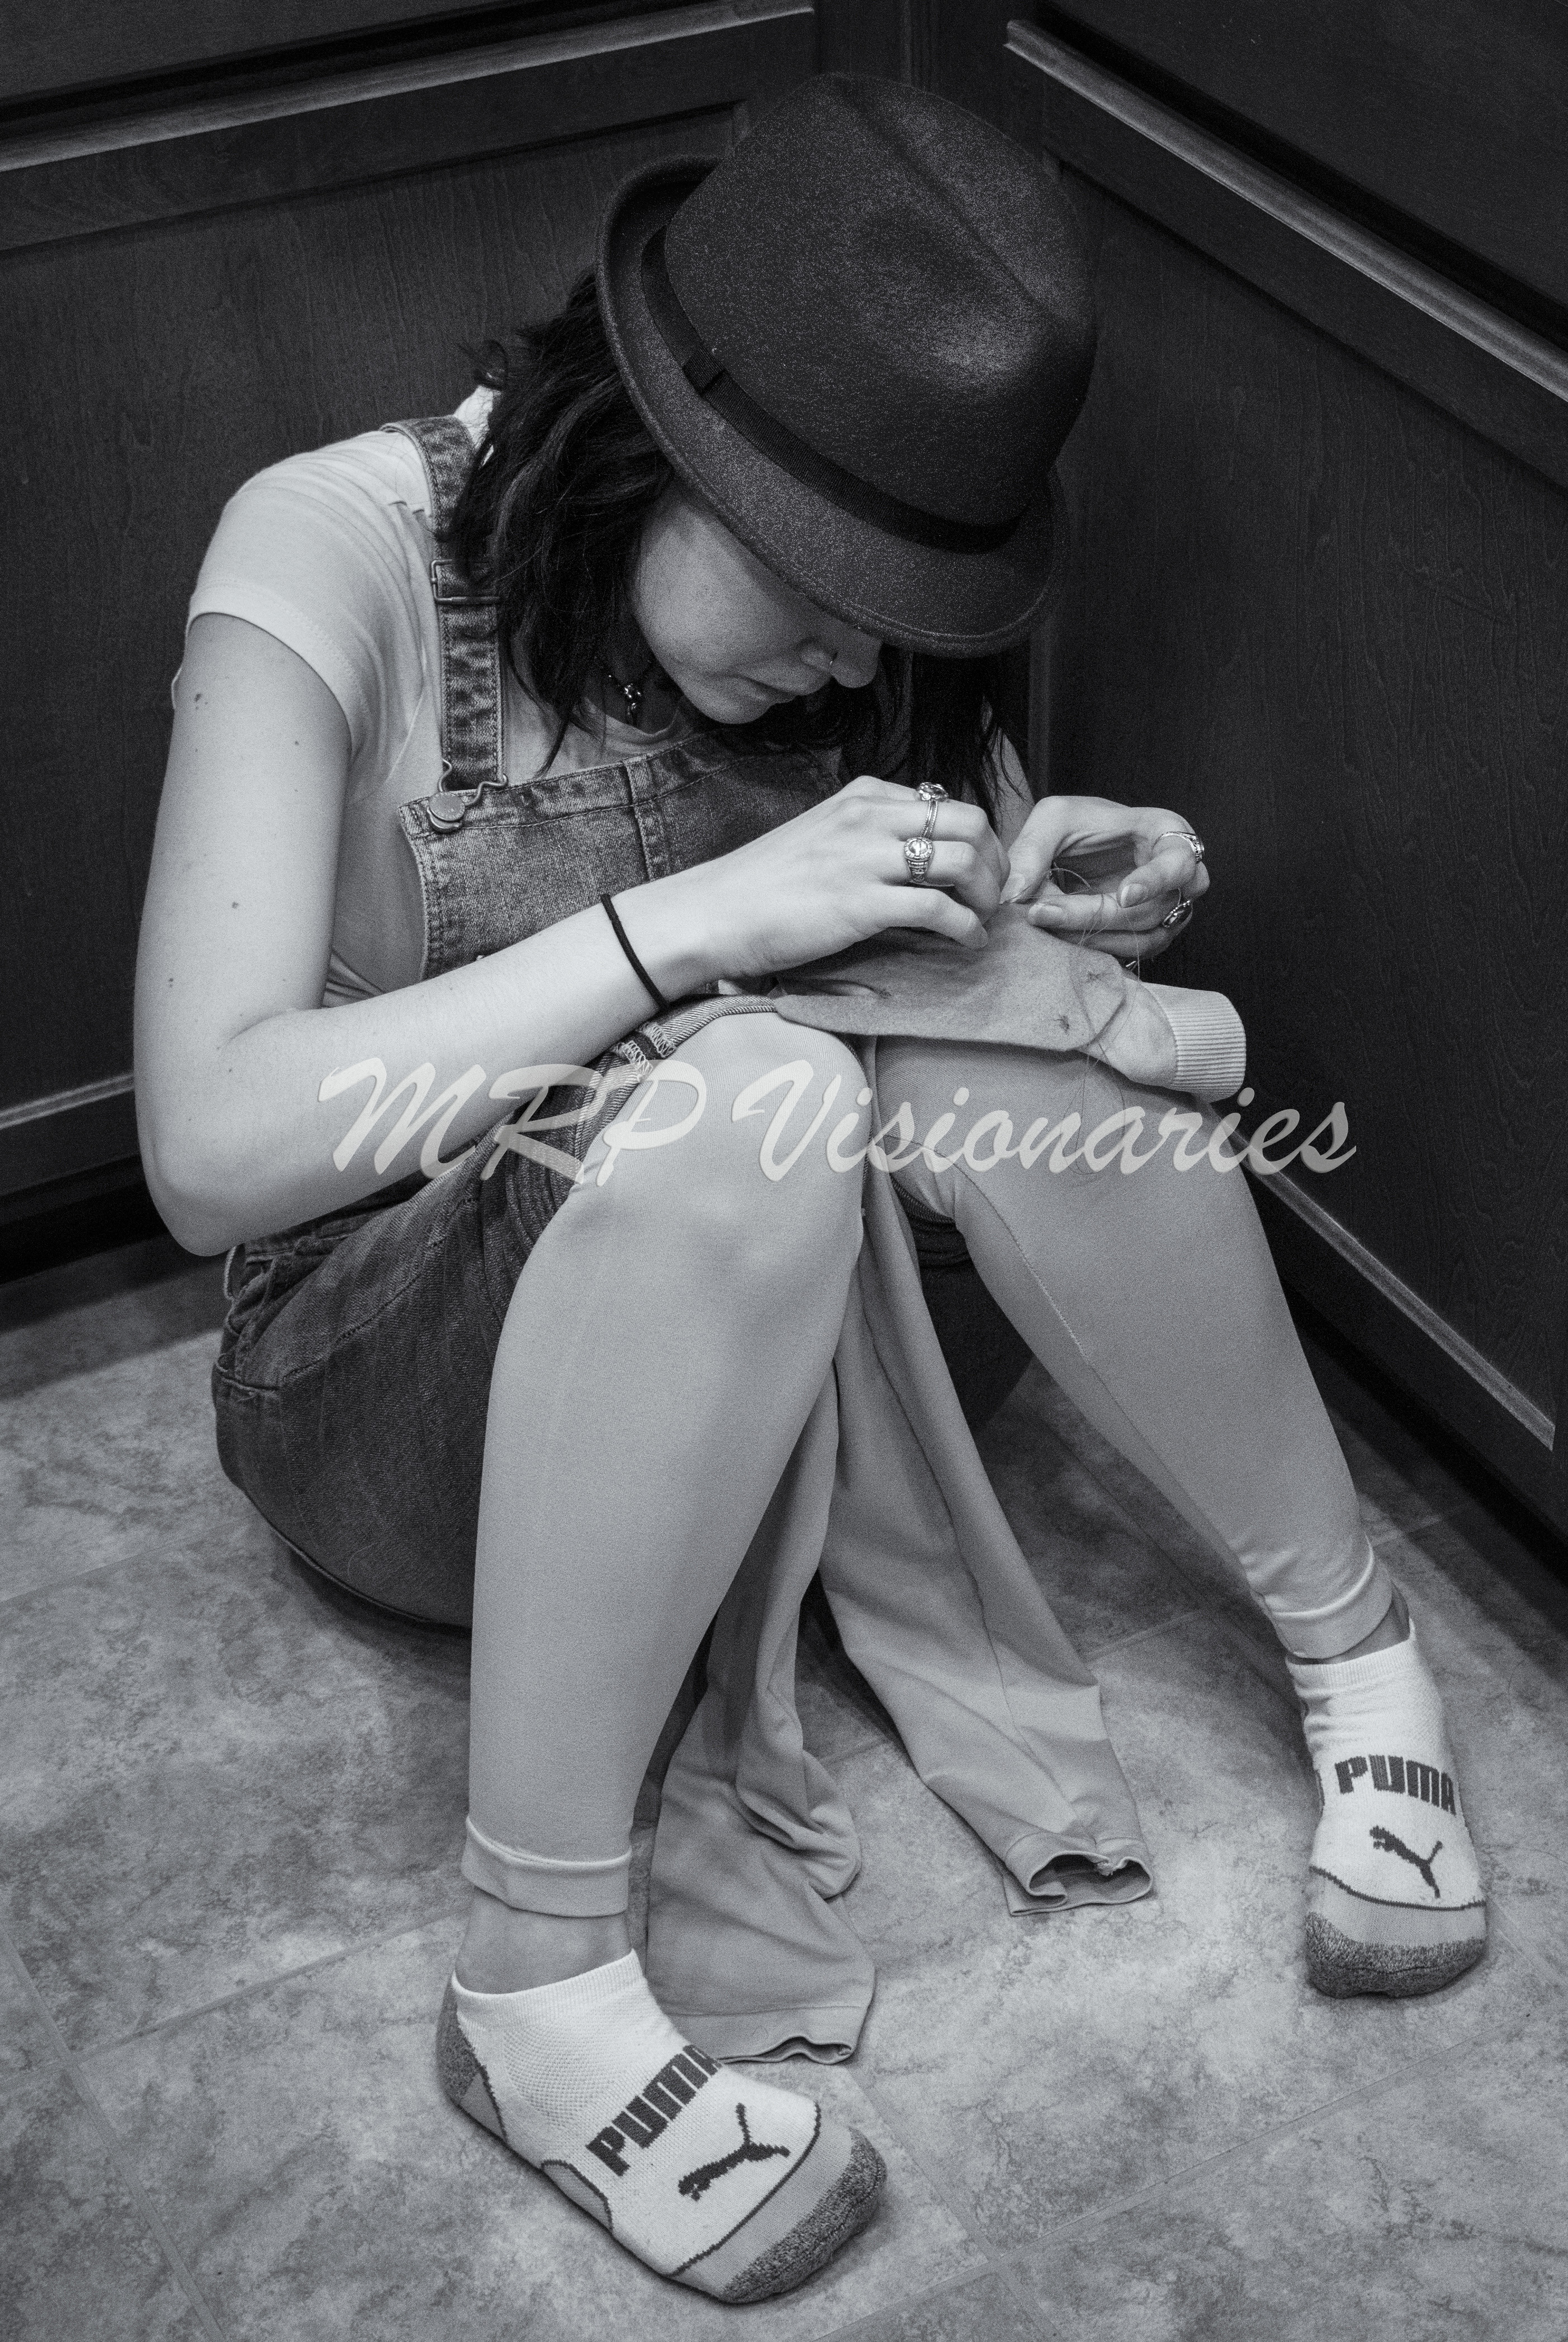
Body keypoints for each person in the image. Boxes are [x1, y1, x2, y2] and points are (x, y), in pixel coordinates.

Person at [134, 75, 1486, 2306]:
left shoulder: (864, 658)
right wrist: (696, 928)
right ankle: (534, 1988)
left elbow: (939, 982)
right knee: (752, 1074)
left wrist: (1039, 914)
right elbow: (207, 1151)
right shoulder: (329, 552)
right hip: (398, 1399)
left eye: (912, 605)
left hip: (798, 1372)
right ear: (648, 445)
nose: (868, 658)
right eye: (831, 582)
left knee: (997, 1021)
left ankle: (1360, 1661)